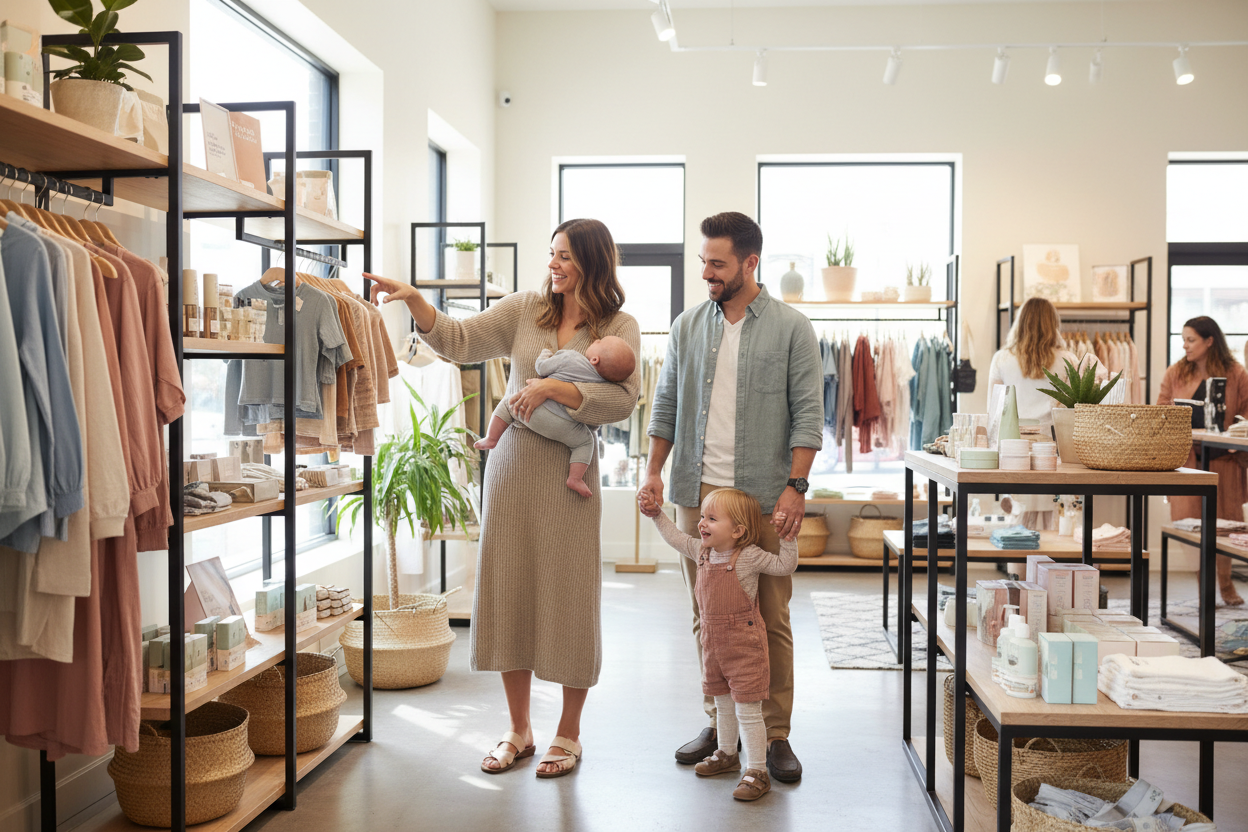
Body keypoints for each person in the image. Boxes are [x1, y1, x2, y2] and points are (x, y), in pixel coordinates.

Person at [365, 218, 641, 777]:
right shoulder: (524, 309)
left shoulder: (621, 325)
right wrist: (416, 301)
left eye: (565, 255)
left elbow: (622, 402)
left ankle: (569, 732)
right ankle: (519, 728)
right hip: (513, 473)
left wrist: (551, 387)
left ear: (593, 261)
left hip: (572, 480)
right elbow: (459, 340)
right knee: (510, 593)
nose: (553, 265)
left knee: (569, 599)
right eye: (551, 253)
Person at [638, 211, 823, 783]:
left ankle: (775, 733)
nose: (707, 274)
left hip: (766, 497)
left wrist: (795, 488)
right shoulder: (687, 326)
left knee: (770, 616)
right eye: (704, 262)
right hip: (698, 492)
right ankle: (721, 728)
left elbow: (808, 417)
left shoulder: (792, 328)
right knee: (706, 615)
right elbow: (664, 405)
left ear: (750, 262)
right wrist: (653, 473)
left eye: (717, 264)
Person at [640, 487, 798, 802]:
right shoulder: (702, 551)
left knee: (749, 709)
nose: (702, 524)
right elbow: (674, 537)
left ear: (738, 530)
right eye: (702, 517)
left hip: (745, 648)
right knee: (723, 704)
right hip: (714, 647)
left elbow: (784, 566)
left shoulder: (750, 556)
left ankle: (757, 771)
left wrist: (788, 538)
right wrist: (658, 514)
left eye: (712, 519)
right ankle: (727, 754)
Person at [988, 297, 1107, 529]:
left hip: (1014, 452)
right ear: (1053, 323)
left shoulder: (1002, 359)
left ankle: (1017, 567)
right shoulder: (1069, 359)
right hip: (1054, 453)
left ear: (1020, 322)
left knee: (1017, 527)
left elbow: (993, 412)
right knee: (1057, 525)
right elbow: (1075, 413)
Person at [1158, 316, 1248, 606]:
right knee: (1190, 524)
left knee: (1227, 525)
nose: (1185, 345)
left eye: (1191, 339)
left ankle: (1225, 582)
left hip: (1226, 461)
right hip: (1187, 461)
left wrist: (1233, 439)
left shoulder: (1236, 373)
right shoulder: (1176, 374)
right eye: (1183, 339)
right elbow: (1160, 411)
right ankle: (1204, 587)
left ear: (1210, 341)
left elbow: (1246, 413)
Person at [475, 335, 636, 496]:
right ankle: (575, 478)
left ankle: (492, 438)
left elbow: (542, 368)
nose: (595, 340)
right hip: (565, 425)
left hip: (534, 410)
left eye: (599, 342)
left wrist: (545, 354)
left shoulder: (571, 357)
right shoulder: (604, 383)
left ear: (594, 359)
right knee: (586, 443)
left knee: (508, 403)